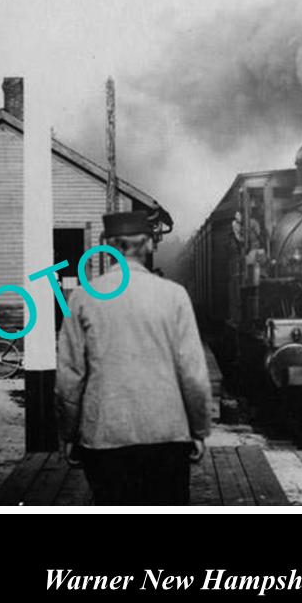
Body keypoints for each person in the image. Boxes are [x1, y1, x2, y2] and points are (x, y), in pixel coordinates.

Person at [55, 211, 212, 505]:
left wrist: (68, 434)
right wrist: (199, 430)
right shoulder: (174, 296)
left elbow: (69, 377)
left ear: (106, 245)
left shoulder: (82, 297)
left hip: (104, 435)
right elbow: (193, 374)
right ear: (150, 245)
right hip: (167, 435)